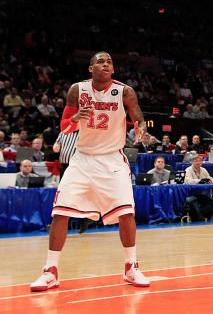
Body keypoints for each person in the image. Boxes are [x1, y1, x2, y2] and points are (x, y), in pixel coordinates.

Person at [30, 52, 150, 291]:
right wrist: (74, 118)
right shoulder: (78, 90)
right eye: (100, 62)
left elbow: (139, 118)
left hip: (112, 160)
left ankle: (131, 267)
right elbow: (65, 127)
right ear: (90, 68)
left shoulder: (125, 91)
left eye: (109, 62)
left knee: (126, 213)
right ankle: (50, 271)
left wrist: (141, 129)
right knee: (60, 213)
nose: (106, 65)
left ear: (113, 70)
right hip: (82, 159)